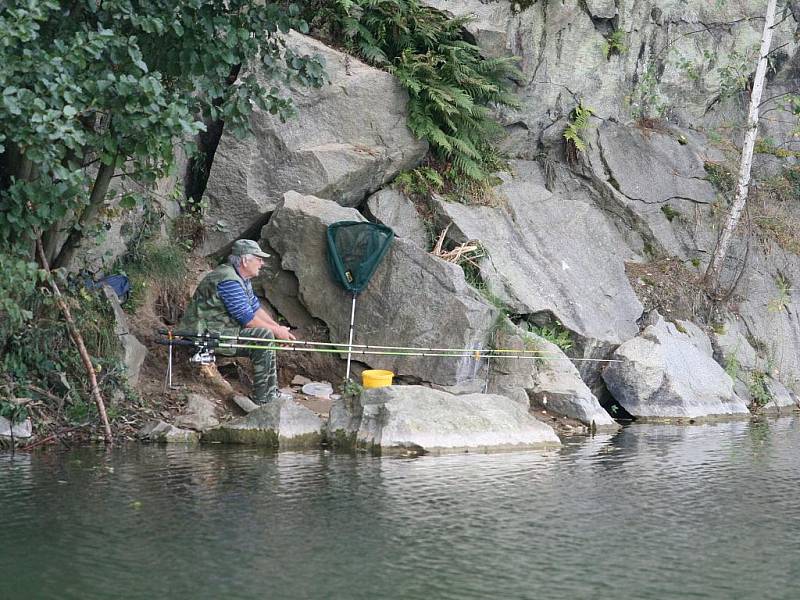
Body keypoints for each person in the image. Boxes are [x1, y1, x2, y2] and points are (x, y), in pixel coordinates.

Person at [178, 239, 296, 404]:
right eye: (258, 258)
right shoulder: (229, 280)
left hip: (221, 331)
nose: (261, 263)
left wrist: (278, 328)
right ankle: (264, 399)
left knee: (265, 333)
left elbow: (255, 308)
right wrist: (277, 332)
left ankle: (270, 393)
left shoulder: (241, 278)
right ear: (245, 260)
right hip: (205, 336)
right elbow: (247, 319)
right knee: (262, 336)